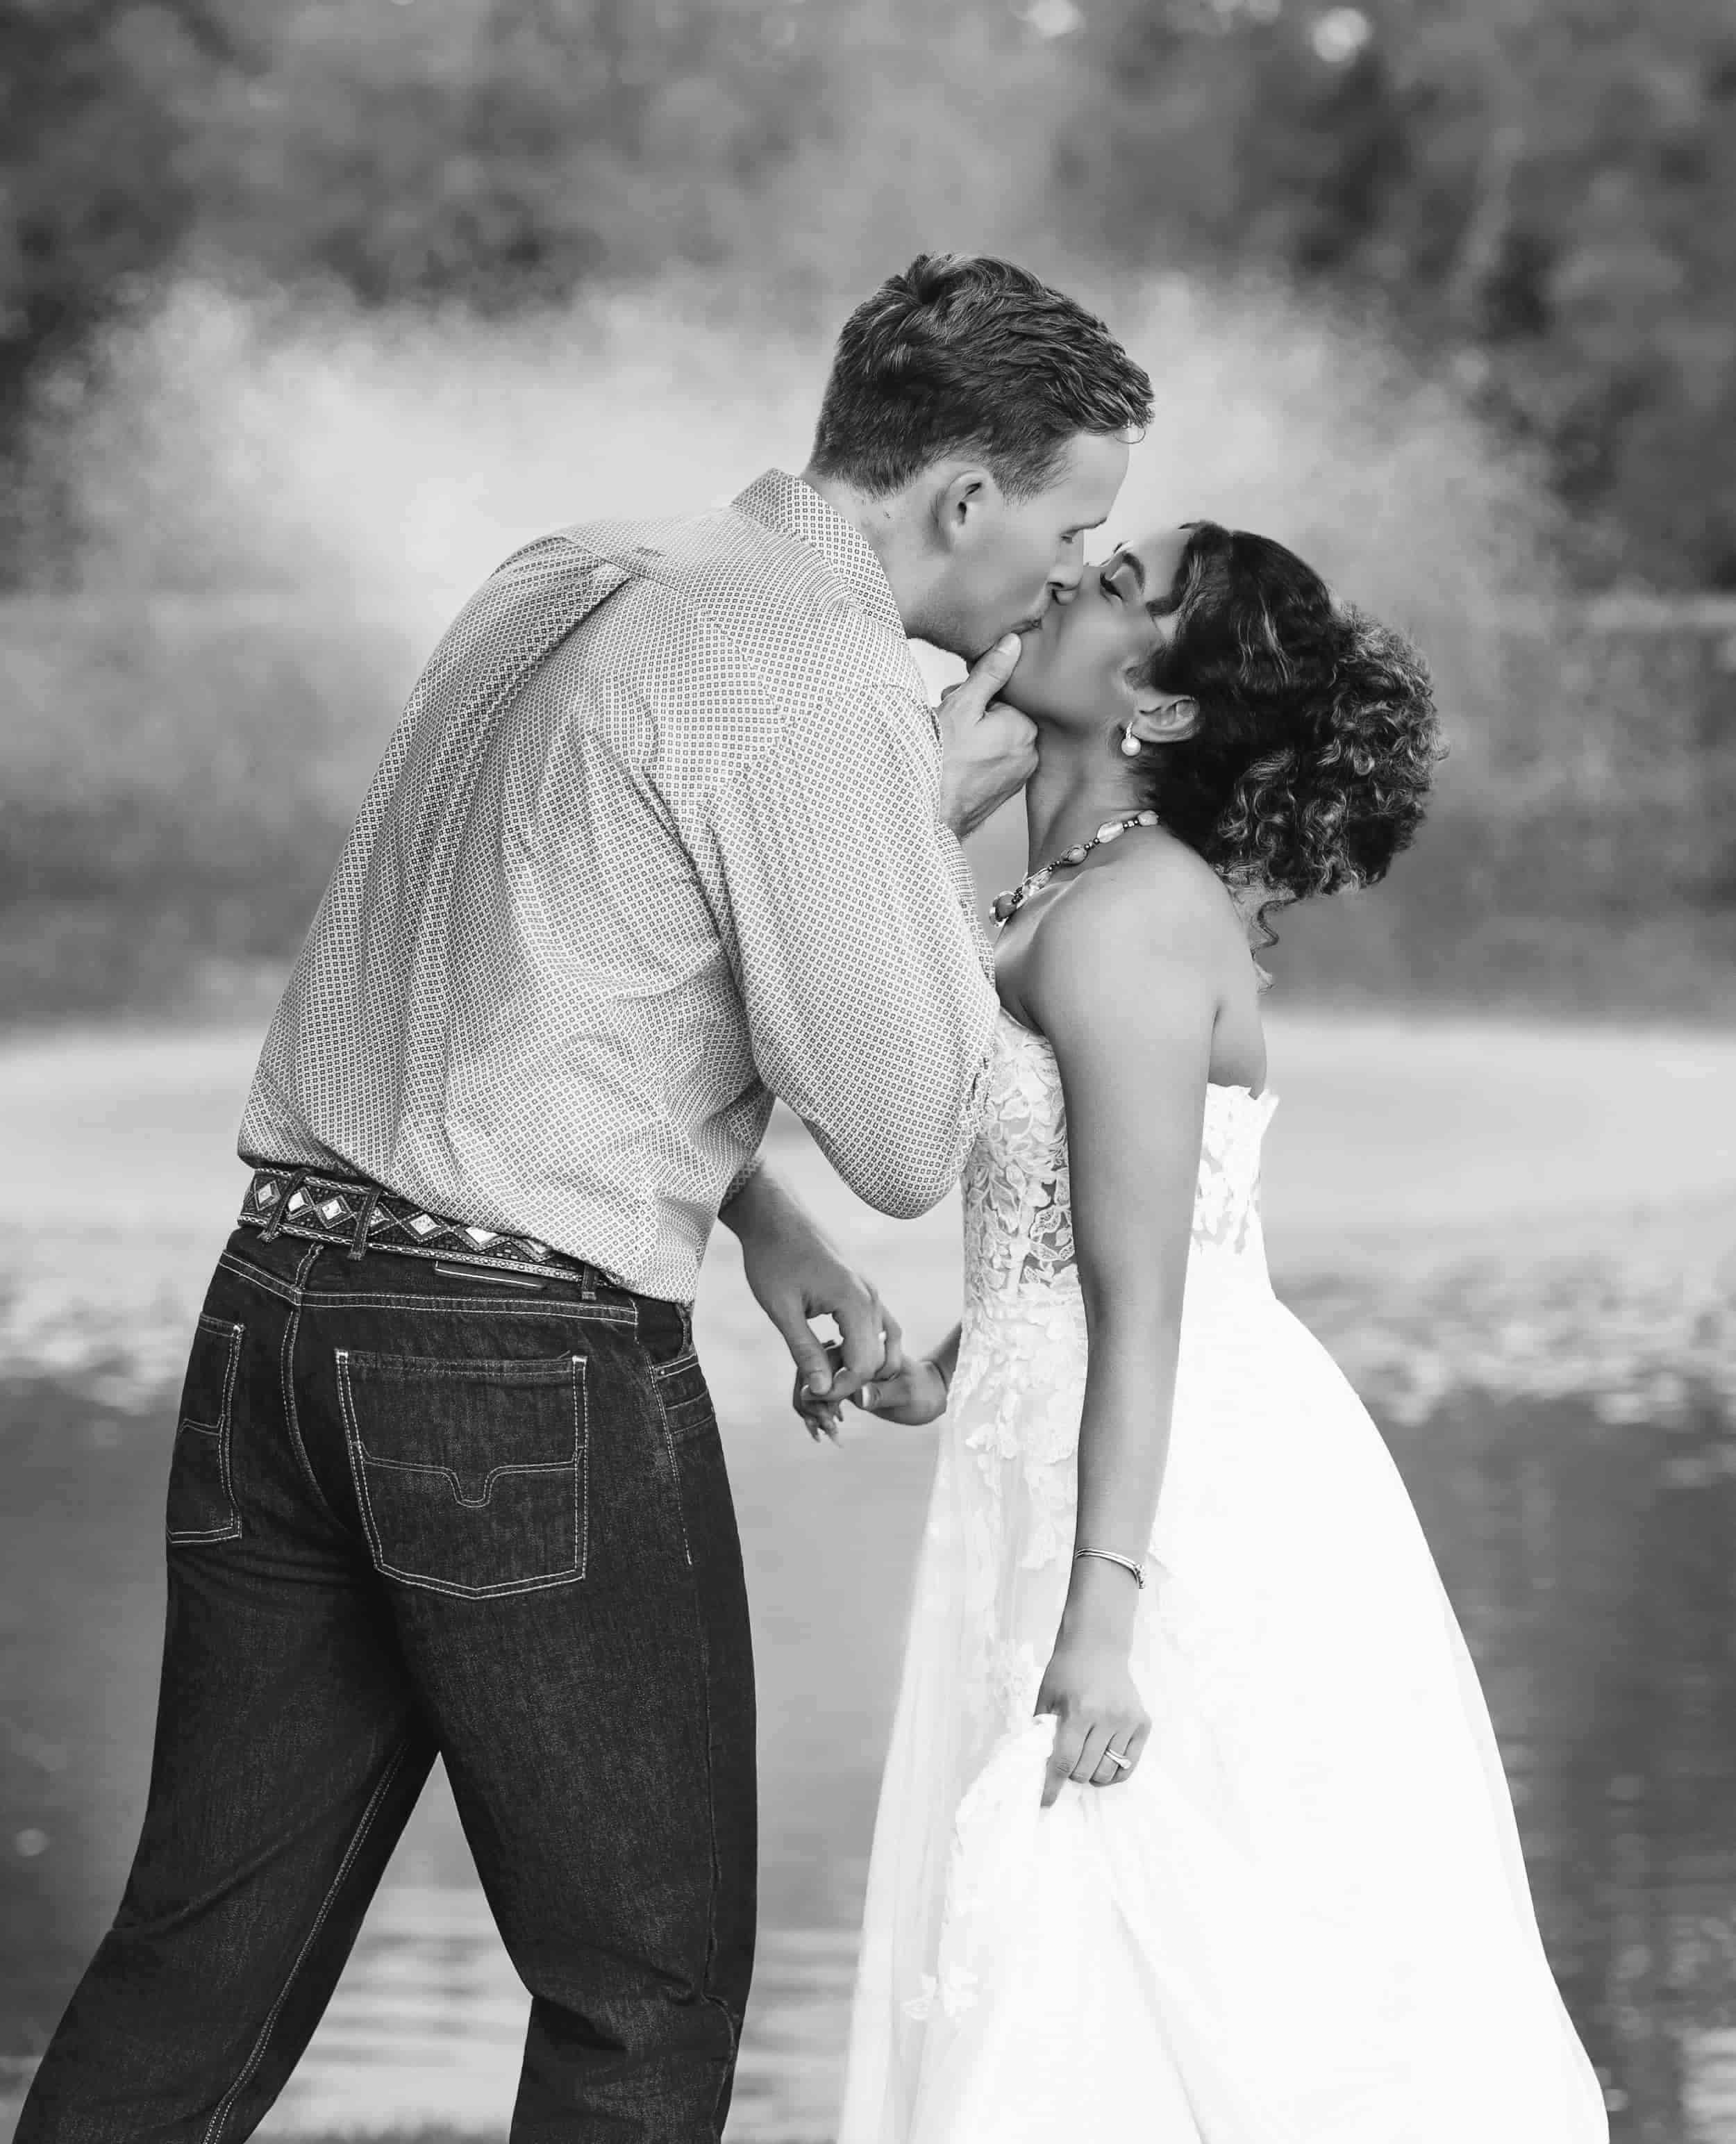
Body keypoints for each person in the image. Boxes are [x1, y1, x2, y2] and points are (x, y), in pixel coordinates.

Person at [15, 256, 1152, 2144]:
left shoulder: (578, 570)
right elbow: (909, 1136)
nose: (1068, 576)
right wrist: (924, 836)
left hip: (284, 1309)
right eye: (1072, 523)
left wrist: (750, 1218)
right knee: (646, 1995)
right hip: (510, 1374)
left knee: (194, 1965)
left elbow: (523, 978)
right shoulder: (808, 678)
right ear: (964, 497)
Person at [826, 523, 1612, 2142]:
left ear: (1161, 712)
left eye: (1117, 587)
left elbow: (1147, 1291)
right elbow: (1083, 1231)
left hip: (1163, 1499)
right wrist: (948, 1365)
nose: (1062, 579)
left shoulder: (1125, 920)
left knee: (1135, 1926)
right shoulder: (1066, 886)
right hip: (1070, 1438)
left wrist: (1104, 1614)